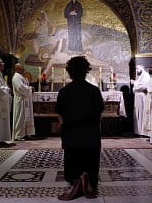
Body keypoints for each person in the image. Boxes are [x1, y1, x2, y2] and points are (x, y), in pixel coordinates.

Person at [55, 56, 104, 200]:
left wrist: (65, 129)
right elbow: (99, 113)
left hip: (71, 134)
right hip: (91, 134)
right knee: (91, 158)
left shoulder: (64, 91)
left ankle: (76, 180)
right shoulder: (94, 90)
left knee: (72, 158)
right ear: (86, 71)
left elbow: (60, 115)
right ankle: (89, 180)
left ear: (69, 72)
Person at [12, 63, 36, 141]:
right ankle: (18, 135)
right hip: (20, 100)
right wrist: (30, 89)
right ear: (18, 68)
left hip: (25, 99)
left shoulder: (21, 76)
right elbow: (20, 88)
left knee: (26, 117)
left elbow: (25, 86)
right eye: (22, 67)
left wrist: (29, 88)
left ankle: (26, 133)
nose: (24, 69)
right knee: (20, 117)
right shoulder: (16, 77)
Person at [133, 64, 150, 135]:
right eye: (136, 69)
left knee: (141, 113)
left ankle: (142, 132)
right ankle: (138, 131)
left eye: (137, 68)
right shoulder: (140, 76)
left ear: (142, 67)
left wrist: (135, 83)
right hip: (138, 96)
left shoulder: (145, 75)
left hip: (142, 96)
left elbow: (143, 86)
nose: (136, 70)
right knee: (138, 113)